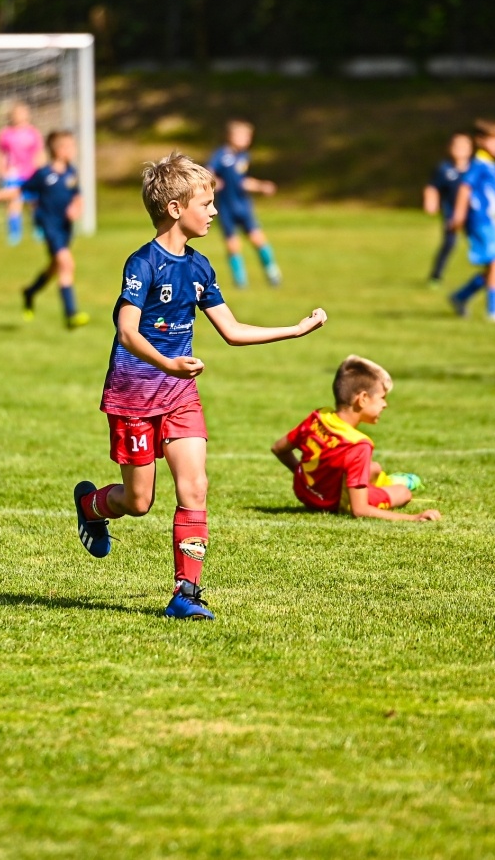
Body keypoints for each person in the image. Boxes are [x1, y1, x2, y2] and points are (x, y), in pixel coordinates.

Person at [71, 153, 328, 620]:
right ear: (175, 209)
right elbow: (127, 331)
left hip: (180, 396)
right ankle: (91, 505)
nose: (213, 211)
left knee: (195, 486)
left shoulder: (200, 267)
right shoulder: (142, 263)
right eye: (205, 204)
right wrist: (168, 363)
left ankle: (185, 594)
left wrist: (293, 330)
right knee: (138, 501)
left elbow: (231, 330)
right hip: (133, 395)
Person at [271, 354, 441, 522]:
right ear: (363, 399)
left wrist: (303, 477)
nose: (385, 404)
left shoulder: (319, 417)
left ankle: (382, 480)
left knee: (374, 468)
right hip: (334, 503)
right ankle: (393, 482)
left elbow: (278, 448)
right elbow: (360, 510)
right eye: (382, 398)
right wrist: (414, 517)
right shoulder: (358, 445)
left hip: (305, 492)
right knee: (403, 492)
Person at [0, 129, 89, 329]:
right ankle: (71, 314)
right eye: (70, 147)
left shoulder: (71, 172)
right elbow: (19, 191)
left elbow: (77, 196)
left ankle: (30, 291)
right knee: (66, 264)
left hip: (65, 229)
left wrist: (76, 208)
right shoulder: (43, 174)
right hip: (50, 227)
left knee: (55, 267)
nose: (74, 150)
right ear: (59, 150)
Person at [447, 118, 495, 323]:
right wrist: (459, 215)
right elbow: (465, 188)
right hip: (480, 222)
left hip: (489, 221)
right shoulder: (479, 164)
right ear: (480, 140)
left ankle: (460, 297)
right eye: (494, 140)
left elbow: (487, 192)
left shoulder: (489, 164)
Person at [208, 119, 281, 288]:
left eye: (249, 137)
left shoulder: (243, 156)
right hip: (226, 207)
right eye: (244, 136)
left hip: (243, 205)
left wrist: (261, 186)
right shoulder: (221, 155)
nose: (247, 140)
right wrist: (214, 181)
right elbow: (208, 172)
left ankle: (272, 273)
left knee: (258, 239)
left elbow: (242, 182)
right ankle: (240, 281)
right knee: (233, 245)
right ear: (230, 136)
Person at [423, 133, 473, 283]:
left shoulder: (475, 168)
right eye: (456, 146)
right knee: (449, 243)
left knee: (485, 244)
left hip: (473, 213)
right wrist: (431, 201)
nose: (460, 149)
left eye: (464, 146)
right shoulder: (444, 169)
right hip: (451, 213)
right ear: (449, 148)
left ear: (470, 149)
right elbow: (432, 187)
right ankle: (436, 276)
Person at [0, 101, 44, 246]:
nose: (20, 116)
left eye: (23, 112)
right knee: (13, 203)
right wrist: (0, 170)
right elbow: (0, 154)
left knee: (35, 202)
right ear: (11, 116)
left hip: (31, 172)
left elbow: (39, 153)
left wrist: (41, 171)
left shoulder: (33, 132)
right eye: (17, 113)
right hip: (13, 173)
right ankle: (15, 234)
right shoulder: (5, 133)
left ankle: (39, 230)